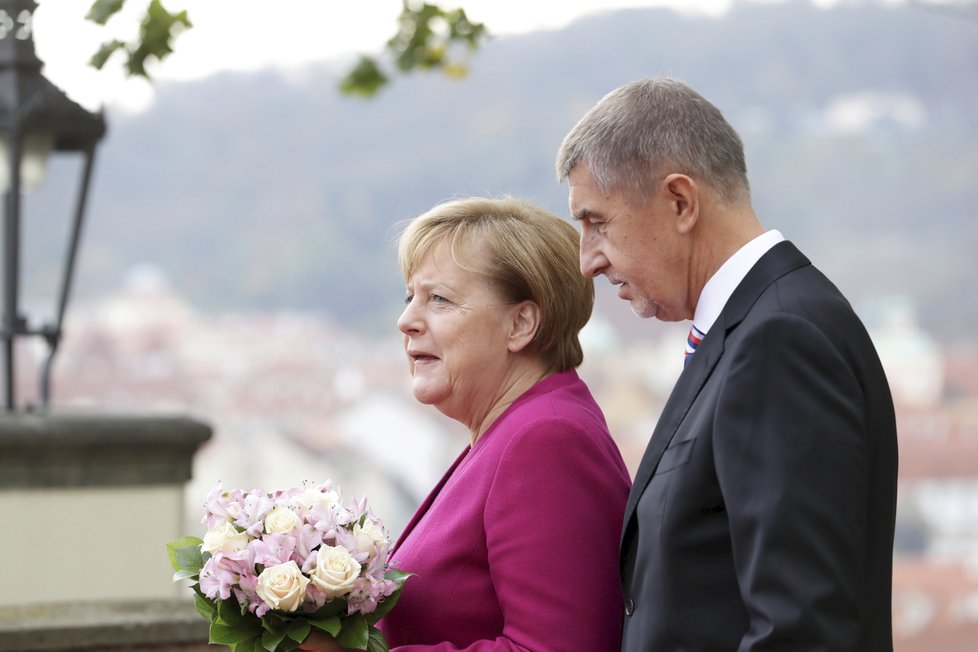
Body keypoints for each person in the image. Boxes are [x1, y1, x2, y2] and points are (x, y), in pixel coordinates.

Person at [555, 76, 899, 651]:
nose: (587, 260)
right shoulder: (756, 326)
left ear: (680, 202)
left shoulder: (781, 340)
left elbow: (800, 631)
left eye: (597, 223)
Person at [300, 196, 631, 651]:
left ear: (521, 324)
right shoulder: (507, 433)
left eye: (438, 299)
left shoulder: (547, 440)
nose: (406, 321)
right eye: (409, 297)